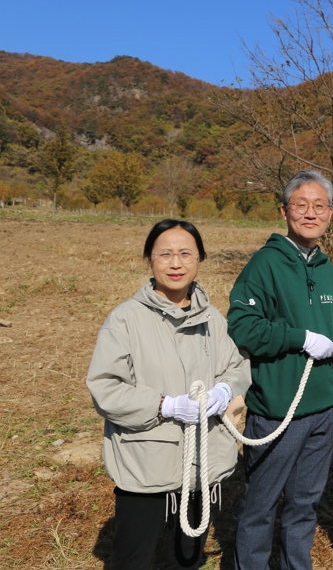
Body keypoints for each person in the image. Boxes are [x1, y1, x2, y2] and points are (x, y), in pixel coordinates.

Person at [87, 219, 250, 570]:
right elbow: (106, 388)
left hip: (202, 460)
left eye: (185, 254)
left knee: (186, 558)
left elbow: (237, 367)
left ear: (199, 259)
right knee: (133, 558)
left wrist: (225, 389)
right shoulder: (125, 320)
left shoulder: (213, 320)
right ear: (150, 259)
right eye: (165, 254)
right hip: (146, 463)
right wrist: (164, 405)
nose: (176, 264)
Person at [229, 170, 333, 570]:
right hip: (277, 406)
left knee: (305, 504)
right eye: (301, 205)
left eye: (319, 206)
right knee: (260, 505)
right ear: (284, 210)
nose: (310, 213)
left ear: (331, 213)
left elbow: (326, 323)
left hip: (322, 405)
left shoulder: (325, 267)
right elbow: (242, 327)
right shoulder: (265, 264)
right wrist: (298, 338)